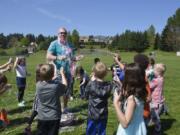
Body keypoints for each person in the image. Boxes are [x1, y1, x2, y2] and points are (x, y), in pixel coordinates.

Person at [46, 27, 83, 113]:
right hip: (58, 72)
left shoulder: (69, 44)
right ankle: (56, 108)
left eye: (64, 33)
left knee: (67, 91)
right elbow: (48, 56)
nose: (63, 34)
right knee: (57, 92)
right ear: (58, 34)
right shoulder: (54, 44)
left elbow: (72, 58)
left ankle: (64, 108)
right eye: (61, 33)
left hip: (68, 72)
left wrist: (77, 58)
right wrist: (58, 57)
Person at [113, 63, 147, 135]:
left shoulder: (132, 99)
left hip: (130, 131)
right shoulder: (141, 92)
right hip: (139, 127)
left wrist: (116, 104)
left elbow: (125, 124)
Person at [36, 64, 67, 135]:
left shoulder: (38, 85)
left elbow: (46, 80)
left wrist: (52, 77)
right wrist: (62, 74)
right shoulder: (56, 86)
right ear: (53, 74)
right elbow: (65, 85)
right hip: (54, 116)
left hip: (42, 116)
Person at [85, 62, 113, 135]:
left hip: (92, 113)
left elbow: (85, 95)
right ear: (106, 74)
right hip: (103, 114)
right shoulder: (109, 85)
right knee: (102, 131)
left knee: (90, 131)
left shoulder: (91, 84)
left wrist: (91, 81)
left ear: (94, 73)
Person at [134, 53, 151, 125]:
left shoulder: (141, 78)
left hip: (141, 111)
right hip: (142, 110)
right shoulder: (143, 76)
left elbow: (148, 98)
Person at [149, 63, 167, 134]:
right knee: (154, 116)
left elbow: (149, 86)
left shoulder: (156, 81)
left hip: (156, 102)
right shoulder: (161, 78)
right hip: (159, 101)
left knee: (155, 117)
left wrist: (148, 77)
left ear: (158, 72)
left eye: (154, 70)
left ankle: (158, 128)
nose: (152, 71)